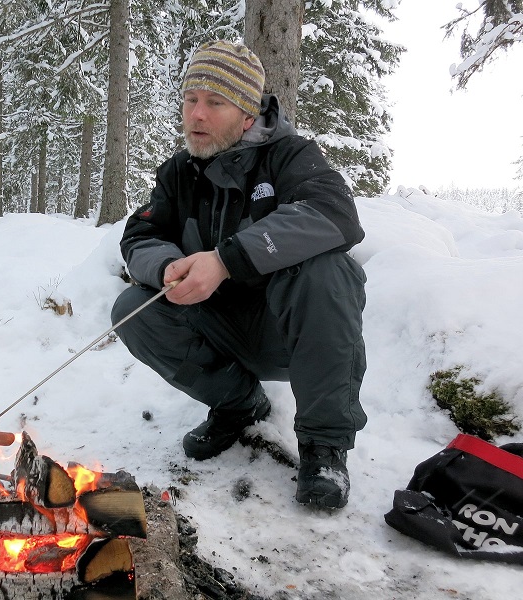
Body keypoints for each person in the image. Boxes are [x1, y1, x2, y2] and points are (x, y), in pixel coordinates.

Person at [111, 40, 367, 510]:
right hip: (219, 327)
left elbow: (335, 215)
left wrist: (226, 260)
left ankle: (324, 446)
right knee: (132, 309)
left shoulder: (290, 156)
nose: (197, 116)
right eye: (190, 100)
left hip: (287, 333)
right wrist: (167, 266)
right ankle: (239, 404)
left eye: (214, 102)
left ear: (248, 115)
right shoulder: (178, 172)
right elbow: (138, 236)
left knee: (330, 269)